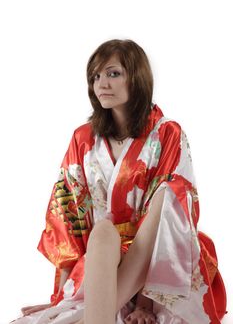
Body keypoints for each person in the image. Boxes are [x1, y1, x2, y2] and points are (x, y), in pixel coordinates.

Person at [12, 39, 227, 324]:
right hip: (102, 258)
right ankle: (87, 313)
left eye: (113, 73)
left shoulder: (167, 134)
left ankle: (91, 315)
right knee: (102, 232)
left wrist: (145, 305)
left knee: (168, 195)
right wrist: (60, 299)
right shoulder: (82, 139)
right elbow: (67, 218)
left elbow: (172, 218)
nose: (102, 83)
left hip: (155, 263)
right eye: (96, 76)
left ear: (136, 77)